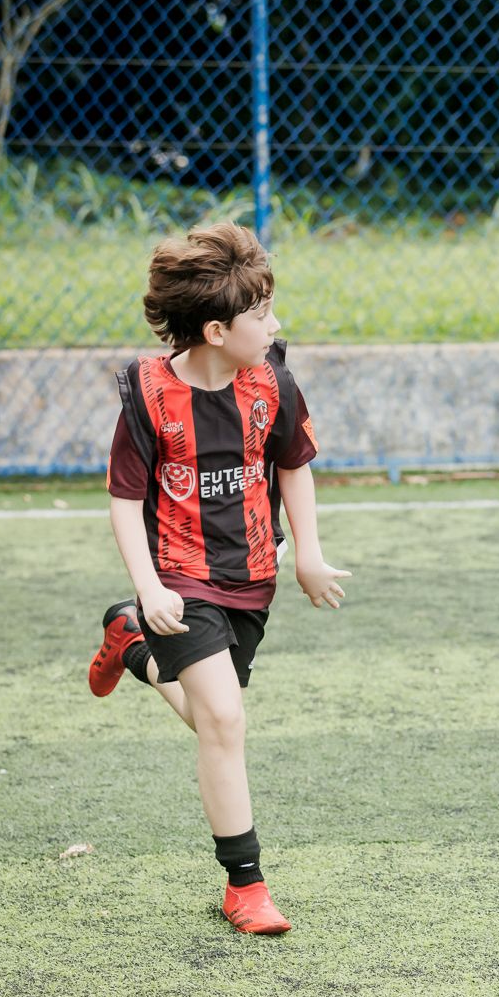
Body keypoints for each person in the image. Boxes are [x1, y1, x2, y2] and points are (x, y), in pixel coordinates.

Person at [87, 221, 350, 934]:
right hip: (178, 578)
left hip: (251, 580)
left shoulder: (273, 384)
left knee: (212, 717)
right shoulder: (148, 399)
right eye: (260, 314)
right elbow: (121, 499)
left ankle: (132, 644)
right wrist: (150, 587)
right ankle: (246, 884)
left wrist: (308, 553)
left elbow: (293, 463)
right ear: (213, 330)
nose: (275, 324)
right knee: (226, 721)